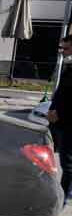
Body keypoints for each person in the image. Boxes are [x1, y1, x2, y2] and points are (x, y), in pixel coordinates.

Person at [48, 35, 72, 203]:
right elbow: (61, 94)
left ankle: (63, 199)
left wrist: (59, 113)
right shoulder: (69, 68)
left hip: (68, 124)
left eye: (66, 48)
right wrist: (52, 109)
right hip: (61, 123)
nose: (62, 52)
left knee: (68, 165)